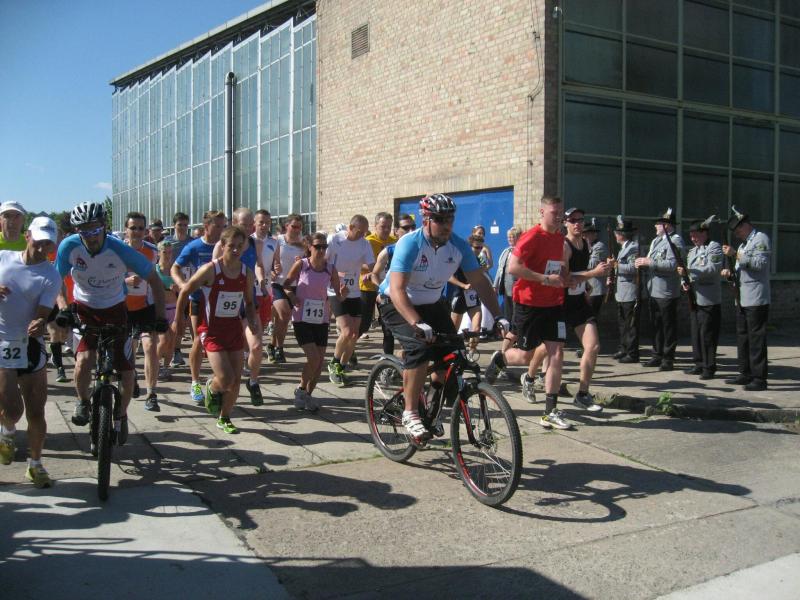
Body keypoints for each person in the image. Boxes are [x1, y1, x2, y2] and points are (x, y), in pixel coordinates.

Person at [379, 194, 507, 441]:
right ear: (426, 220)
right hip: (396, 302)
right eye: (440, 219)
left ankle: (430, 409)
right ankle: (410, 413)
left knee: (452, 355)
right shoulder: (410, 243)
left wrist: (500, 317)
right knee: (419, 348)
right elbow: (396, 289)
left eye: (450, 219)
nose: (447, 225)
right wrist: (416, 322)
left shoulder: (458, 246)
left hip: (432, 304)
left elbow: (480, 283)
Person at [56, 201, 166, 446]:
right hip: (85, 308)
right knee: (84, 360)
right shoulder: (69, 247)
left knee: (126, 371)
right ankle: (83, 401)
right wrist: (63, 307)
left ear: (104, 226)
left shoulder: (120, 249)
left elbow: (155, 280)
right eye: (84, 230)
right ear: (77, 231)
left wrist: (160, 317)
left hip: (115, 309)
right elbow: (56, 279)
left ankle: (121, 414)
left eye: (95, 228)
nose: (91, 235)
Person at [485, 195, 574, 430]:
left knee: (556, 353)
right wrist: (544, 279)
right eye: (554, 213)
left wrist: (568, 278)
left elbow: (560, 268)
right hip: (529, 303)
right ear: (542, 212)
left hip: (554, 304)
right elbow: (513, 267)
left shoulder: (559, 238)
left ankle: (550, 411)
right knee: (525, 356)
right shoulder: (531, 237)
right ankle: (501, 358)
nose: (559, 217)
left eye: (561, 212)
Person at [173, 226, 258, 434]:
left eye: (240, 246)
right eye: (231, 246)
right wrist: (178, 320)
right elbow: (184, 291)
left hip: (233, 331)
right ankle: (212, 386)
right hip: (211, 332)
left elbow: (249, 301)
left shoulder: (246, 273)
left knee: (236, 380)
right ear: (222, 245)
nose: (236, 250)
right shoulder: (210, 269)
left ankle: (224, 417)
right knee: (226, 378)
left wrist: (252, 320)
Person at [0, 217, 61, 487]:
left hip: (31, 344)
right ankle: (7, 431)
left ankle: (35, 465)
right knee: (12, 410)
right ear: (27, 236)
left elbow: (43, 312)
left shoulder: (51, 275)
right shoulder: (3, 258)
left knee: (36, 412)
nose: (42, 247)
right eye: (39, 240)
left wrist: (39, 322)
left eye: (48, 243)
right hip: (3, 342)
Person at [283, 232, 344, 411]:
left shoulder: (330, 268)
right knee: (313, 357)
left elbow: (338, 295)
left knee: (319, 362)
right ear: (310, 247)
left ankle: (308, 395)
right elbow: (285, 285)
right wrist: (292, 296)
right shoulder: (302, 265)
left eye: (324, 247)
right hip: (301, 318)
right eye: (318, 247)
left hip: (321, 319)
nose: (321, 250)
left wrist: (343, 293)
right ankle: (301, 390)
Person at [171, 210, 226, 404]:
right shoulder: (194, 246)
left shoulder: (226, 245)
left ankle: (217, 380)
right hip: (198, 299)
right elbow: (175, 267)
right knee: (199, 339)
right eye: (217, 226)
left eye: (224, 226)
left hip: (220, 300)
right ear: (206, 227)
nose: (221, 230)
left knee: (220, 342)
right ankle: (195, 382)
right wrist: (182, 285)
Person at [212, 207, 266, 405]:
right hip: (225, 304)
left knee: (257, 346)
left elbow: (258, 264)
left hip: (247, 302)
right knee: (223, 355)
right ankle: (215, 385)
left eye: (251, 224)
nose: (249, 228)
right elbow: (213, 270)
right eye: (244, 224)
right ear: (234, 223)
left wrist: (261, 279)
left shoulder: (255, 243)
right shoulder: (221, 245)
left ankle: (253, 381)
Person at [556, 208, 607, 412]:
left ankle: (583, 394)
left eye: (580, 220)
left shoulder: (585, 243)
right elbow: (565, 279)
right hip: (561, 304)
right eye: (573, 220)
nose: (577, 223)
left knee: (593, 346)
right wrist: (594, 273)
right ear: (565, 223)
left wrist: (585, 286)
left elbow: (580, 273)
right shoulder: (564, 246)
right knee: (550, 350)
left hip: (578, 302)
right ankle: (531, 378)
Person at [721, 207, 771, 391]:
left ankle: (759, 378)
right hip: (742, 297)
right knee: (743, 337)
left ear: (746, 226)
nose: (737, 235)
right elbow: (741, 270)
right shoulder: (743, 245)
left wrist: (735, 255)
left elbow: (760, 264)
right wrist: (730, 274)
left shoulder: (760, 239)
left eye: (738, 231)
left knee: (756, 338)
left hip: (756, 297)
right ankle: (745, 372)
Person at [326, 215, 375, 387]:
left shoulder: (364, 244)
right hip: (335, 290)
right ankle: (334, 362)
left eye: (365, 232)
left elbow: (372, 265)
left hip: (354, 292)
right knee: (346, 331)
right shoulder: (334, 240)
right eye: (360, 231)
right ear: (351, 227)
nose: (363, 235)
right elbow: (325, 263)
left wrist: (374, 272)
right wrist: (337, 278)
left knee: (355, 334)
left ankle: (342, 366)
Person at [635, 208, 684, 371]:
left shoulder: (675, 241)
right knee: (656, 325)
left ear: (666, 225)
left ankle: (668, 359)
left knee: (668, 326)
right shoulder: (657, 241)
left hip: (667, 291)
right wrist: (643, 262)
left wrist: (650, 262)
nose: (655, 226)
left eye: (658, 223)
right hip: (654, 289)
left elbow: (673, 264)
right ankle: (657, 355)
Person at [677, 216, 723, 380]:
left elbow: (713, 268)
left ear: (704, 233)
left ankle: (709, 367)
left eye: (695, 235)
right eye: (690, 235)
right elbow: (686, 272)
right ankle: (698, 363)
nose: (692, 238)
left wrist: (689, 272)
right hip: (695, 297)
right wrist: (684, 281)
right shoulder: (692, 252)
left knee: (708, 334)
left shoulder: (714, 247)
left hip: (708, 298)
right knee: (696, 333)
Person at [123, 212, 161, 411]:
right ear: (126, 230)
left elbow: (156, 278)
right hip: (122, 307)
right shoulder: (116, 250)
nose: (136, 232)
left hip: (146, 306)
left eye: (140, 228)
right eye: (133, 228)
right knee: (129, 347)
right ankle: (132, 376)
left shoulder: (152, 251)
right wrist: (125, 281)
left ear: (145, 231)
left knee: (150, 346)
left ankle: (151, 393)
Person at [370, 213, 416, 356]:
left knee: (415, 336)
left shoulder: (421, 248)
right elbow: (374, 274)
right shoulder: (389, 251)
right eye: (406, 228)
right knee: (388, 331)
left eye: (413, 227)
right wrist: (382, 290)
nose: (411, 231)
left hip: (414, 297)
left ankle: (404, 359)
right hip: (390, 296)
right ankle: (388, 361)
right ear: (396, 231)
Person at [269, 214, 306, 363]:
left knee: (282, 320)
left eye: (299, 227)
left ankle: (272, 345)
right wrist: (271, 271)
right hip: (278, 283)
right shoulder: (277, 241)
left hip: (295, 285)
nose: (297, 230)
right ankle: (279, 348)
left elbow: (308, 264)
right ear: (286, 226)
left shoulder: (303, 244)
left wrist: (301, 263)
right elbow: (268, 261)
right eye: (294, 226)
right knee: (284, 315)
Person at [359, 212, 396, 345]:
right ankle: (349, 348)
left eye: (389, 227)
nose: (386, 230)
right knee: (364, 324)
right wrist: (373, 269)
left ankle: (389, 355)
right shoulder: (368, 241)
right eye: (383, 226)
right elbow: (357, 262)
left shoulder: (394, 241)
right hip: (368, 288)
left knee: (388, 326)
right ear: (375, 226)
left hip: (385, 287)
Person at [609, 217, 641, 363]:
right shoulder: (624, 248)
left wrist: (616, 265)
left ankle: (632, 353)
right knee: (623, 323)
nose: (616, 235)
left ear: (623, 234)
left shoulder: (633, 247)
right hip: (621, 292)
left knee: (630, 324)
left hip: (630, 292)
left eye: (617, 233)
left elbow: (633, 268)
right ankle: (624, 348)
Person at [165, 212, 191, 368]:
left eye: (185, 225)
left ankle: (177, 350)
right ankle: (171, 349)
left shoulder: (192, 242)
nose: (182, 228)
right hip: (171, 285)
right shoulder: (167, 242)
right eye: (180, 225)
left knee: (184, 319)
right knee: (173, 318)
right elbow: (161, 262)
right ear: (174, 225)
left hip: (187, 283)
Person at [253, 209, 279, 352]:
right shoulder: (247, 241)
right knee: (251, 324)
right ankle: (248, 353)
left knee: (262, 323)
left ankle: (252, 350)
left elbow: (277, 265)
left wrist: (276, 270)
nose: (264, 225)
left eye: (267, 223)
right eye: (261, 222)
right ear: (254, 223)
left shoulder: (274, 243)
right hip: (251, 289)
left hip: (266, 290)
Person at [155, 240, 180, 381]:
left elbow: (183, 289)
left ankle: (165, 368)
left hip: (174, 308)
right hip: (160, 309)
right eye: (164, 252)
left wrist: (178, 289)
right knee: (164, 340)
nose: (168, 255)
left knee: (171, 341)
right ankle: (155, 365)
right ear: (159, 253)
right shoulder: (155, 270)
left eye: (170, 252)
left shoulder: (175, 270)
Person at [493, 227, 522, 323]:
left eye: (512, 237)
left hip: (517, 288)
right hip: (505, 288)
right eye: (509, 237)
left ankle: (516, 330)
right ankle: (508, 329)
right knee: (507, 313)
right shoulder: (506, 251)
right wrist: (495, 285)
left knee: (516, 313)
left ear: (518, 237)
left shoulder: (522, 251)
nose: (510, 239)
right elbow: (500, 269)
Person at [583, 218, 608, 320]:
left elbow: (592, 264)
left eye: (586, 234)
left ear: (594, 235)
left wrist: (577, 261)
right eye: (583, 234)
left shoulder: (599, 246)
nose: (584, 236)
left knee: (591, 317)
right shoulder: (585, 246)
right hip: (586, 287)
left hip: (595, 288)